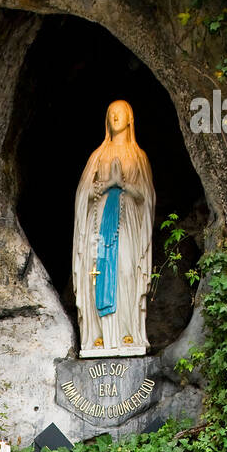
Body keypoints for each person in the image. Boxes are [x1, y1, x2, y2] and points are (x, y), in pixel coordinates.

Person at [72, 99, 155, 356]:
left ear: (130, 119)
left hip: (127, 223)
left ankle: (128, 335)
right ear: (106, 120)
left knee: (127, 270)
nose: (116, 117)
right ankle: (100, 338)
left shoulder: (139, 156)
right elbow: (83, 193)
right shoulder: (98, 156)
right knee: (95, 273)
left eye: (121, 113)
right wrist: (108, 184)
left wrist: (124, 185)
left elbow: (147, 197)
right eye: (111, 114)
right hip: (98, 225)